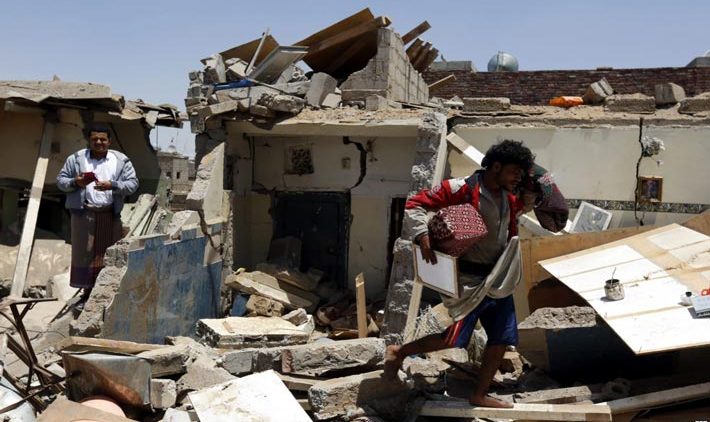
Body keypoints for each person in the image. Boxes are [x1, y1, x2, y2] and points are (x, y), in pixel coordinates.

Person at [384, 140, 567, 408]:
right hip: (468, 281)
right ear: (496, 166)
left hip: (499, 278)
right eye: (514, 171)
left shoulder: (510, 197)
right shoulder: (461, 188)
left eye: (520, 173)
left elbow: (525, 206)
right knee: (454, 339)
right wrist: (422, 236)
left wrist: (535, 188)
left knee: (502, 338)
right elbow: (415, 204)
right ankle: (399, 351)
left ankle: (479, 394)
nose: (517, 177)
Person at [56, 124, 138, 311]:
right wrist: (76, 182)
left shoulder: (120, 160)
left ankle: (105, 295)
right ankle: (86, 295)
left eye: (103, 139)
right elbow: (61, 181)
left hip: (110, 214)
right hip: (83, 213)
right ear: (89, 140)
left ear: (109, 141)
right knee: (83, 255)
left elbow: (133, 184)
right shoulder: (76, 159)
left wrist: (113, 185)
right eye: (95, 139)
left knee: (107, 254)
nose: (99, 142)